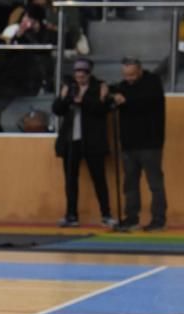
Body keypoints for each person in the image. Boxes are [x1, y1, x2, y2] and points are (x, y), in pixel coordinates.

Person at [52, 58, 116, 228]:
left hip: (93, 140)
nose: (80, 77)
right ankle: (71, 215)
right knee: (71, 180)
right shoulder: (69, 88)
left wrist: (84, 101)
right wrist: (64, 97)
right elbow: (57, 110)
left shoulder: (98, 87)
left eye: (83, 74)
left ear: (89, 74)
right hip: (71, 140)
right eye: (77, 74)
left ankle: (106, 214)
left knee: (99, 179)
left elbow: (103, 110)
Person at [111, 57, 167, 232]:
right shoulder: (123, 86)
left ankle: (158, 219)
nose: (129, 79)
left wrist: (124, 99)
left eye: (132, 75)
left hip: (150, 142)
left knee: (155, 183)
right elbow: (113, 94)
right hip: (129, 143)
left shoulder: (152, 83)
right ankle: (131, 217)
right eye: (126, 75)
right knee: (130, 183)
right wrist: (112, 94)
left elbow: (145, 101)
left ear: (140, 71)